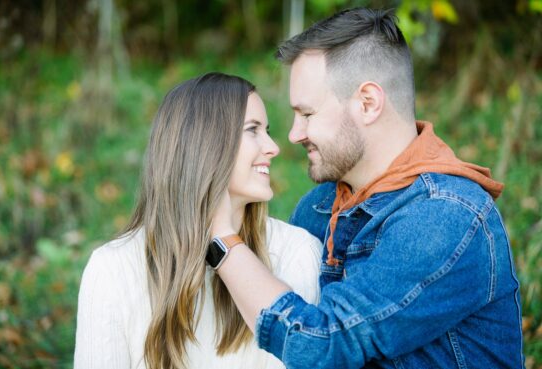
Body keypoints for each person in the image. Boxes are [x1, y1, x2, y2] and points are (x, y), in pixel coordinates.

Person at [210, 8, 524, 368]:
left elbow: (321, 344)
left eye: (307, 114)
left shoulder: (446, 216)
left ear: (368, 103)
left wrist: (221, 239)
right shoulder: (318, 207)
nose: (294, 134)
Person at [74, 73, 323, 369]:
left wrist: (220, 233)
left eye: (266, 130)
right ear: (206, 147)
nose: (273, 147)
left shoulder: (295, 252)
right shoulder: (113, 269)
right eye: (252, 130)